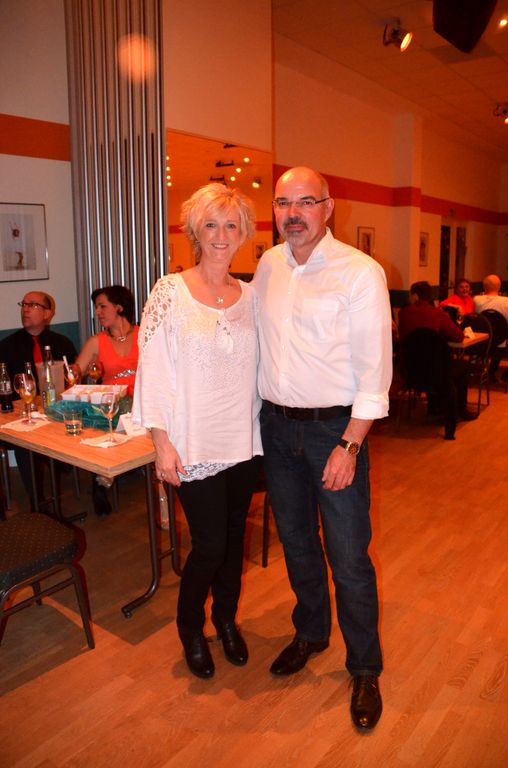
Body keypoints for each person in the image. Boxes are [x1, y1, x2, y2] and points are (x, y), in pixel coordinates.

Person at [254, 166, 392, 731]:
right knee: (295, 542)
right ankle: (311, 632)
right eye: (283, 202)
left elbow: (375, 372)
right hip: (276, 428)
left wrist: (349, 445)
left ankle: (364, 667)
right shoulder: (267, 266)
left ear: (328, 208)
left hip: (333, 431)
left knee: (349, 555)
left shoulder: (359, 272)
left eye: (305, 202)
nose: (293, 213)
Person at [133, 183, 262, 680]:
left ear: (244, 234)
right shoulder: (170, 291)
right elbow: (153, 371)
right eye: (211, 224)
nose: (221, 235)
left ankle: (226, 620)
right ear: (194, 231)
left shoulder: (251, 296)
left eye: (231, 225)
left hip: (244, 441)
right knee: (209, 545)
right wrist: (160, 442)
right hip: (193, 445)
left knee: (233, 540)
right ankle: (190, 627)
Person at [0, 291, 77, 509]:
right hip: (22, 416)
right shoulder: (6, 346)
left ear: (47, 313)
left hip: (57, 412)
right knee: (25, 442)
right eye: (23, 304)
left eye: (32, 305)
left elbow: (72, 380)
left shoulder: (62, 343)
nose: (25, 309)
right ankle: (38, 503)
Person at [74, 285, 138, 516]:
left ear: (119, 307)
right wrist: (71, 371)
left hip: (142, 402)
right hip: (111, 404)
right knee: (98, 422)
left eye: (102, 306)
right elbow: (75, 372)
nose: (97, 312)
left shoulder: (144, 334)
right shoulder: (96, 341)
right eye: (96, 308)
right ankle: (99, 484)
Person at [398, 281, 477, 422]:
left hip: (409, 369)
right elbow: (458, 337)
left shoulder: (403, 313)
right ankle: (459, 409)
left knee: (429, 359)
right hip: (436, 370)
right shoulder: (438, 314)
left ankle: (434, 407)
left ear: (415, 296)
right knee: (462, 367)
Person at [473, 274, 508, 381]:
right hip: (500, 340)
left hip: (482, 340)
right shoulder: (506, 301)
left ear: (484, 286)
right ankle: (492, 371)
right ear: (499, 287)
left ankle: (480, 369)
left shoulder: (476, 299)